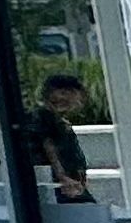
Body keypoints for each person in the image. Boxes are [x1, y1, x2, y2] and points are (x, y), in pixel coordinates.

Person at [25, 74, 95, 204]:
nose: (64, 98)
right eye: (63, 92)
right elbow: (49, 146)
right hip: (59, 188)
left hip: (67, 185)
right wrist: (62, 177)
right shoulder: (43, 118)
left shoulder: (59, 122)